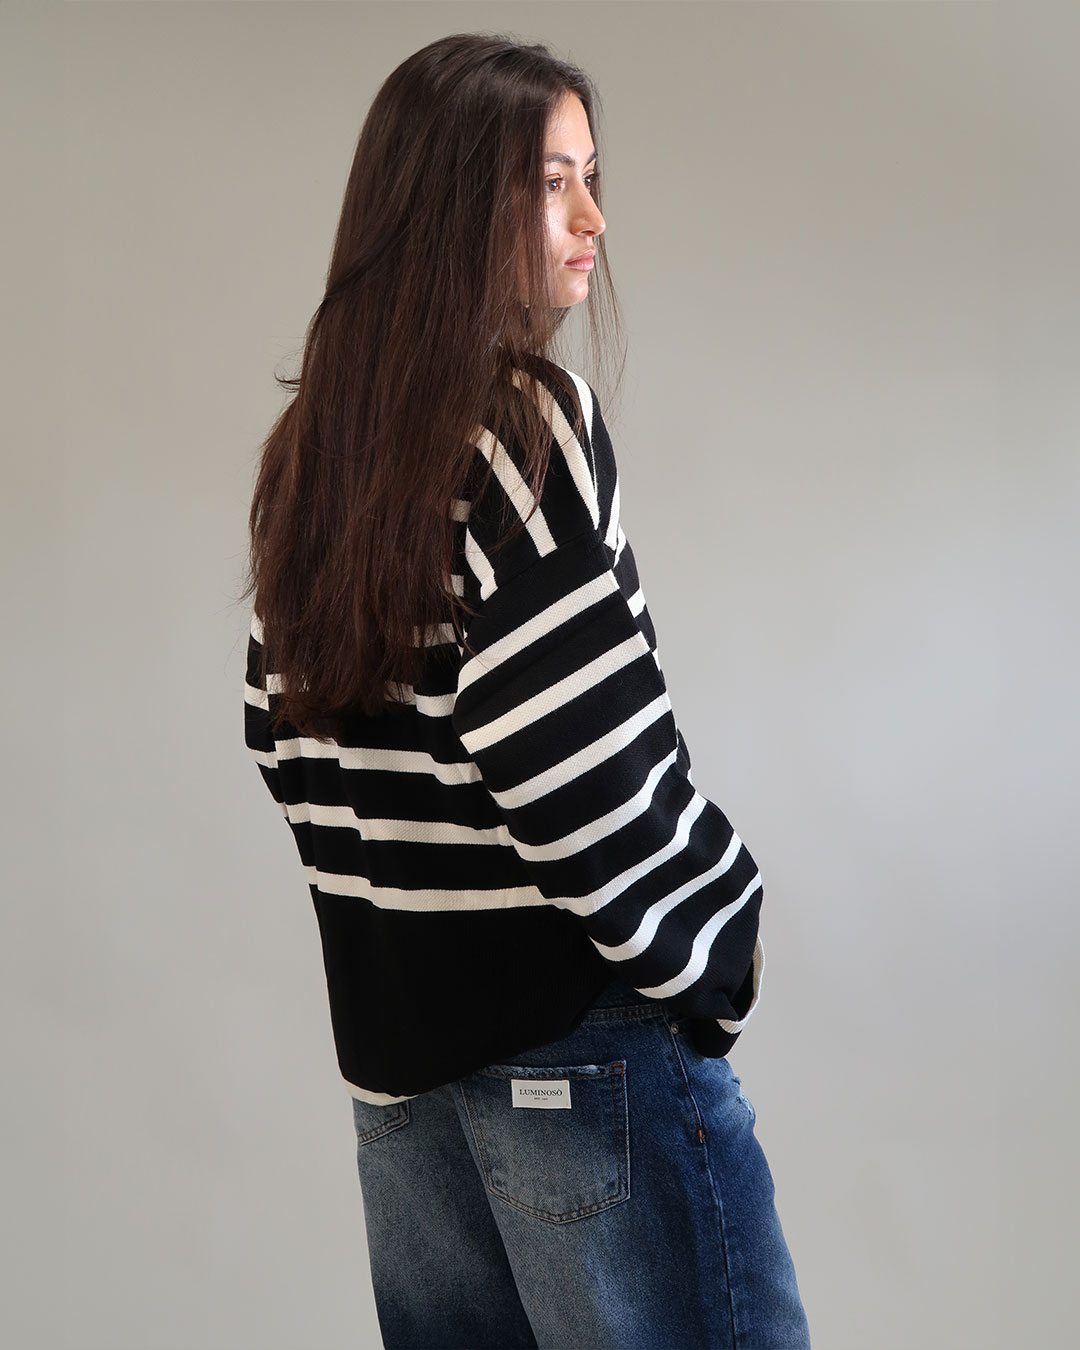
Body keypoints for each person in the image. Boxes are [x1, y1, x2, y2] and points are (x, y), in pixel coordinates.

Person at [241, 31, 811, 1350]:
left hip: (401, 1084)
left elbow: (282, 736)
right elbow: (580, 767)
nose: (594, 220)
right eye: (554, 185)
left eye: (592, 179)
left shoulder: (313, 452)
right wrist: (720, 936)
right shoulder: (526, 427)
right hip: (582, 1053)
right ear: (455, 209)